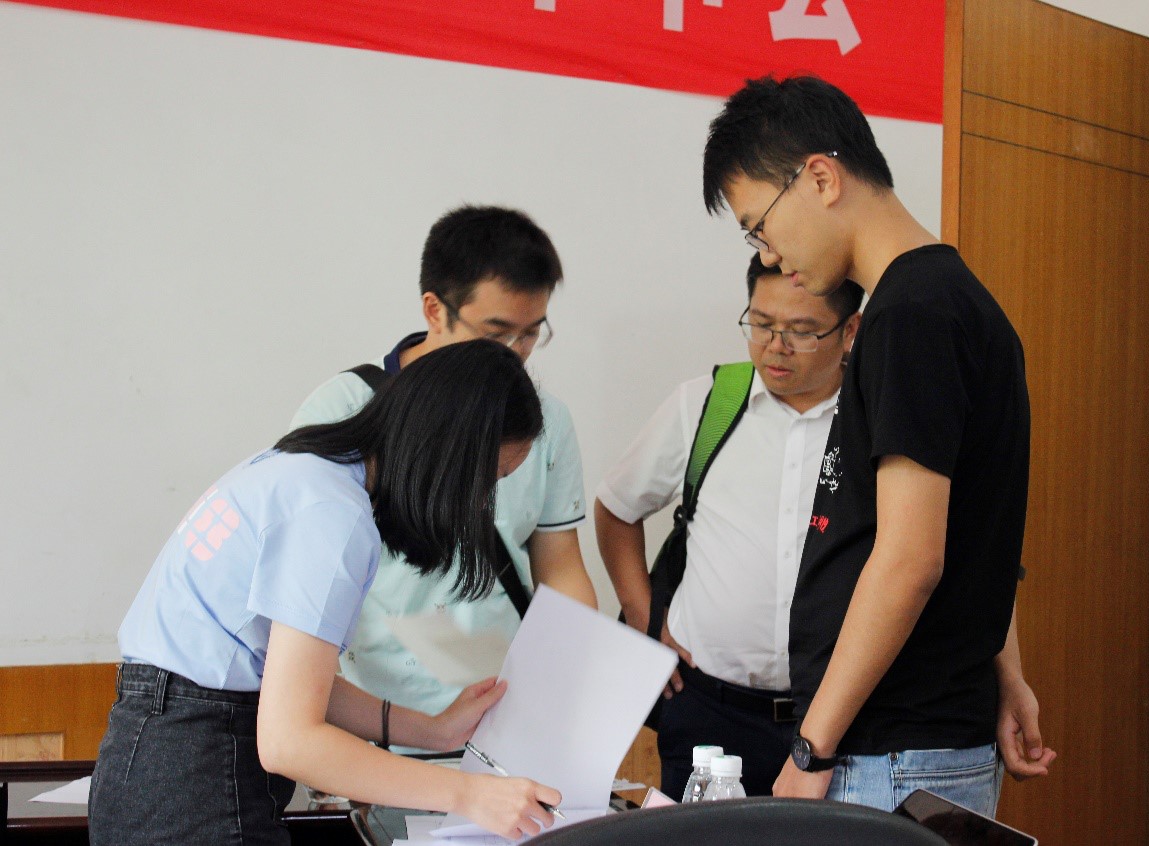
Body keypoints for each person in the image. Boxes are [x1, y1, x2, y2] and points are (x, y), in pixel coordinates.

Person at [701, 75, 1057, 815]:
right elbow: (972, 530)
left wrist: (811, 746)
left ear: (820, 178)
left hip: (889, 752)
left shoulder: (910, 315)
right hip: (921, 737)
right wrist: (1007, 675)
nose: (771, 256)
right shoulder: (955, 300)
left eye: (759, 226)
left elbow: (910, 559)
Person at [89, 341, 562, 844]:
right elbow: (289, 742)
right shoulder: (331, 514)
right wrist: (470, 794)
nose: (484, 503)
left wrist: (434, 730)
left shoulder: (300, 471)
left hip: (152, 753)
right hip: (190, 773)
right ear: (450, 451)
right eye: (491, 478)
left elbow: (292, 683)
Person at [291, 205, 596, 741]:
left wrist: (572, 679)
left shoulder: (542, 421)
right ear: (435, 309)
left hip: (502, 716)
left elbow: (561, 565)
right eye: (497, 332)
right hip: (376, 721)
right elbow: (304, 589)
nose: (516, 354)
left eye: (531, 334)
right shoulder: (345, 409)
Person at [596, 254, 862, 798]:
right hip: (709, 715)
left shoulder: (875, 415)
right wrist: (647, 621)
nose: (775, 346)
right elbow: (616, 508)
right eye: (761, 324)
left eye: (802, 331)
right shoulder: (706, 404)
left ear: (850, 330)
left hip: (841, 719)